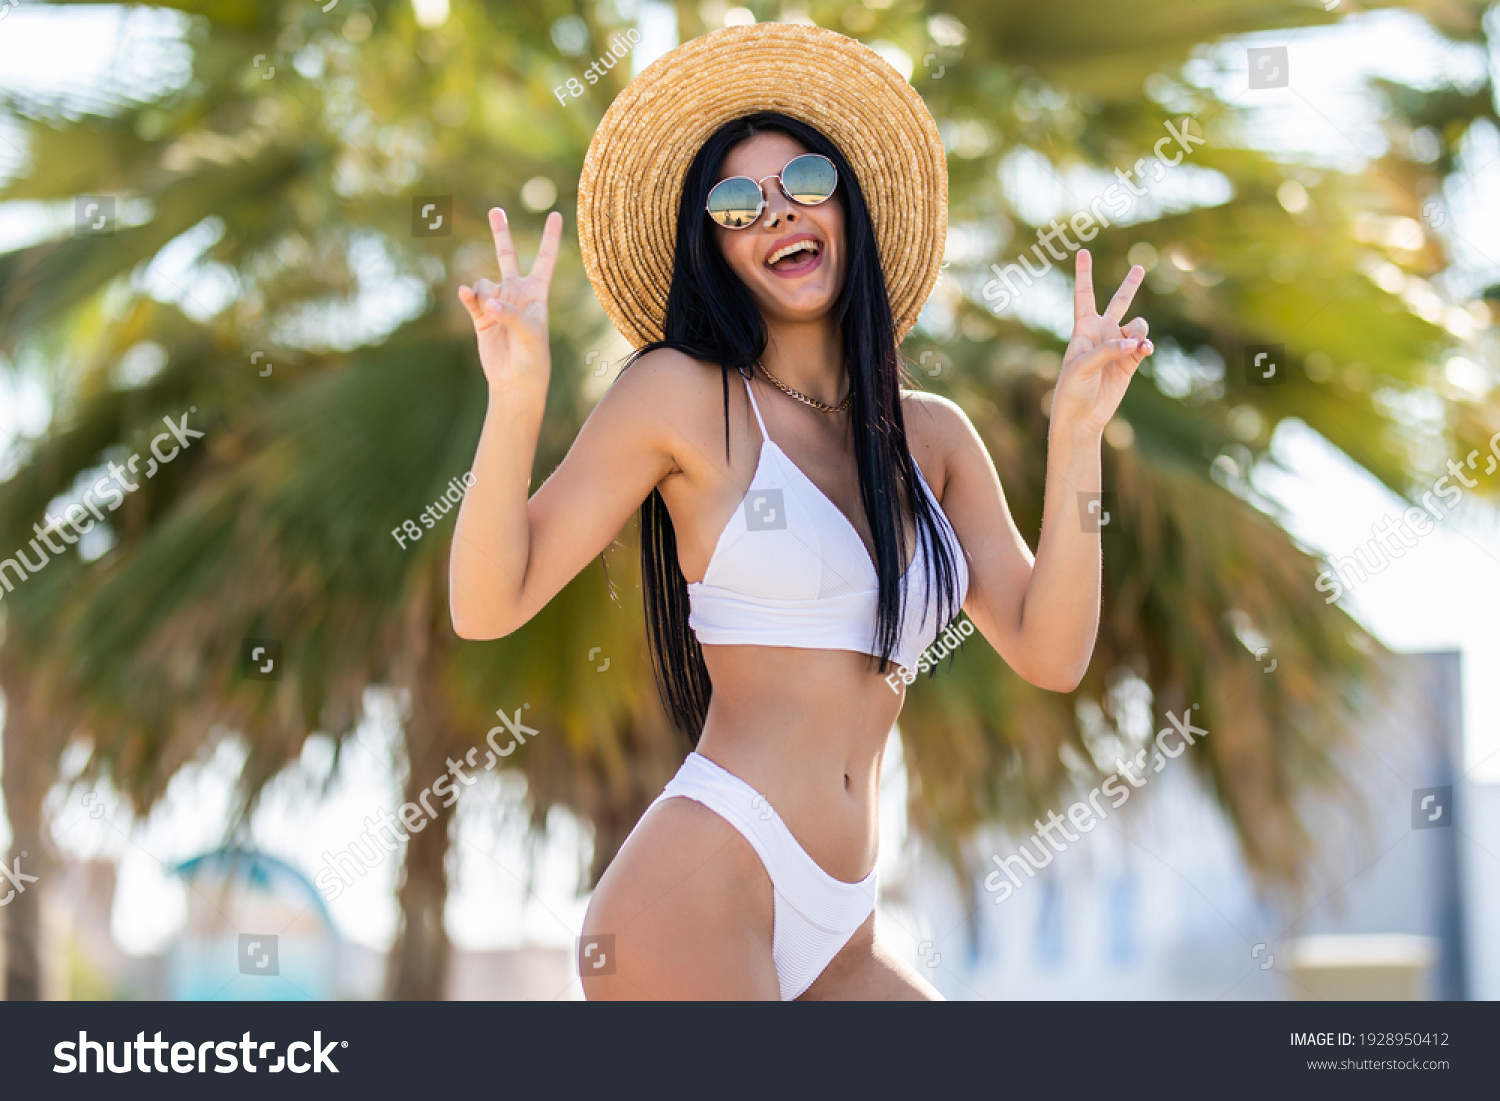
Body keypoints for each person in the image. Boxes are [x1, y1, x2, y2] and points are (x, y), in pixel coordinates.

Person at [449, 23, 1151, 1000]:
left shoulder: (932, 439)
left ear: (849, 211)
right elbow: (490, 604)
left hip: (844, 924)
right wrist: (516, 398)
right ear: (716, 249)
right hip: (701, 883)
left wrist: (1079, 438)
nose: (776, 213)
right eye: (737, 204)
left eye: (805, 184)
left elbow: (1052, 650)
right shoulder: (684, 398)